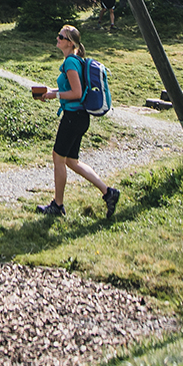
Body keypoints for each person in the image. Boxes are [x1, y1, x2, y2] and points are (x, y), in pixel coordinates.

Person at [30, 24, 119, 221]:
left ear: (70, 43)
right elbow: (73, 89)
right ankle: (108, 192)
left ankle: (58, 205)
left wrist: (56, 95)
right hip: (79, 117)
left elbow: (76, 94)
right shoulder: (75, 60)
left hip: (73, 117)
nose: (57, 38)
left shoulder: (70, 62)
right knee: (71, 161)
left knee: (58, 158)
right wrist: (51, 92)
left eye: (60, 37)